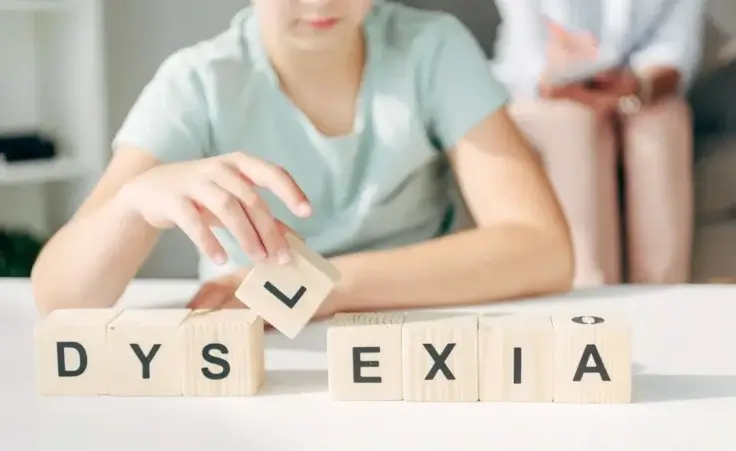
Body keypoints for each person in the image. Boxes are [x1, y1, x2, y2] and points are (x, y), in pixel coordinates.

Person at [30, 0, 574, 318]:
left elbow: (543, 250)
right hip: (255, 348)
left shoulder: (433, 49)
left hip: (417, 334)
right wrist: (131, 205)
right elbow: (60, 298)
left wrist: (320, 286)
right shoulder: (197, 81)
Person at [491, 0, 707, 287]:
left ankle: (663, 292)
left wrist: (635, 85)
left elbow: (676, 51)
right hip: (539, 97)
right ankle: (590, 292)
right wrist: (572, 84)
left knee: (662, 120)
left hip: (633, 93)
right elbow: (530, 60)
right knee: (576, 123)